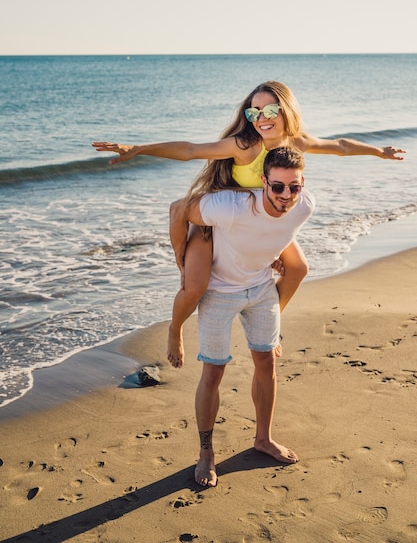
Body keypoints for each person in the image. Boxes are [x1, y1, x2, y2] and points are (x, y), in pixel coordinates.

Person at [92, 81, 406, 368]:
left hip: (262, 226)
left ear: (286, 111)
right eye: (253, 111)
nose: (261, 117)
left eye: (270, 109)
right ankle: (176, 329)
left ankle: (270, 323)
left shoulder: (297, 143)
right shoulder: (244, 145)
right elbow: (189, 150)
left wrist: (379, 152)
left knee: (298, 269)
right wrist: (139, 149)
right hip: (219, 223)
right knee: (194, 286)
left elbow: (340, 145)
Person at [170, 146, 315, 486]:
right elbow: (178, 209)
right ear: (263, 181)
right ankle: (206, 453)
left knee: (266, 361)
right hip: (219, 292)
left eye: (293, 187)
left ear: (302, 184)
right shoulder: (231, 207)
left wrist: (275, 256)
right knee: (214, 371)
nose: (285, 195)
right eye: (277, 186)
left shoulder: (304, 205)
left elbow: (277, 234)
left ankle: (262, 439)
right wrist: (180, 256)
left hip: (262, 289)